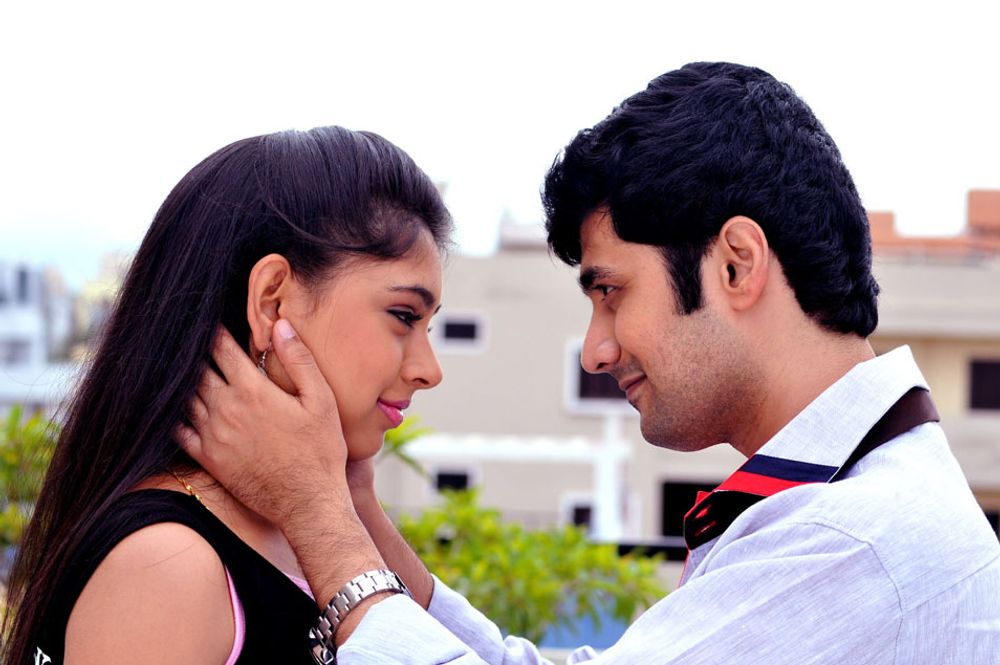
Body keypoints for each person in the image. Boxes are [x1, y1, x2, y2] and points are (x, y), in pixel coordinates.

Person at [182, 63, 1000, 663]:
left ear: (737, 265)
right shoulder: (861, 504)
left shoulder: (853, 543)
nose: (598, 348)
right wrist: (357, 508)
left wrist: (317, 516)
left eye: (611, 291)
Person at [1, 126, 451, 665]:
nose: (429, 371)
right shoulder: (166, 563)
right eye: (403, 316)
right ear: (271, 302)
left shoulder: (303, 533)